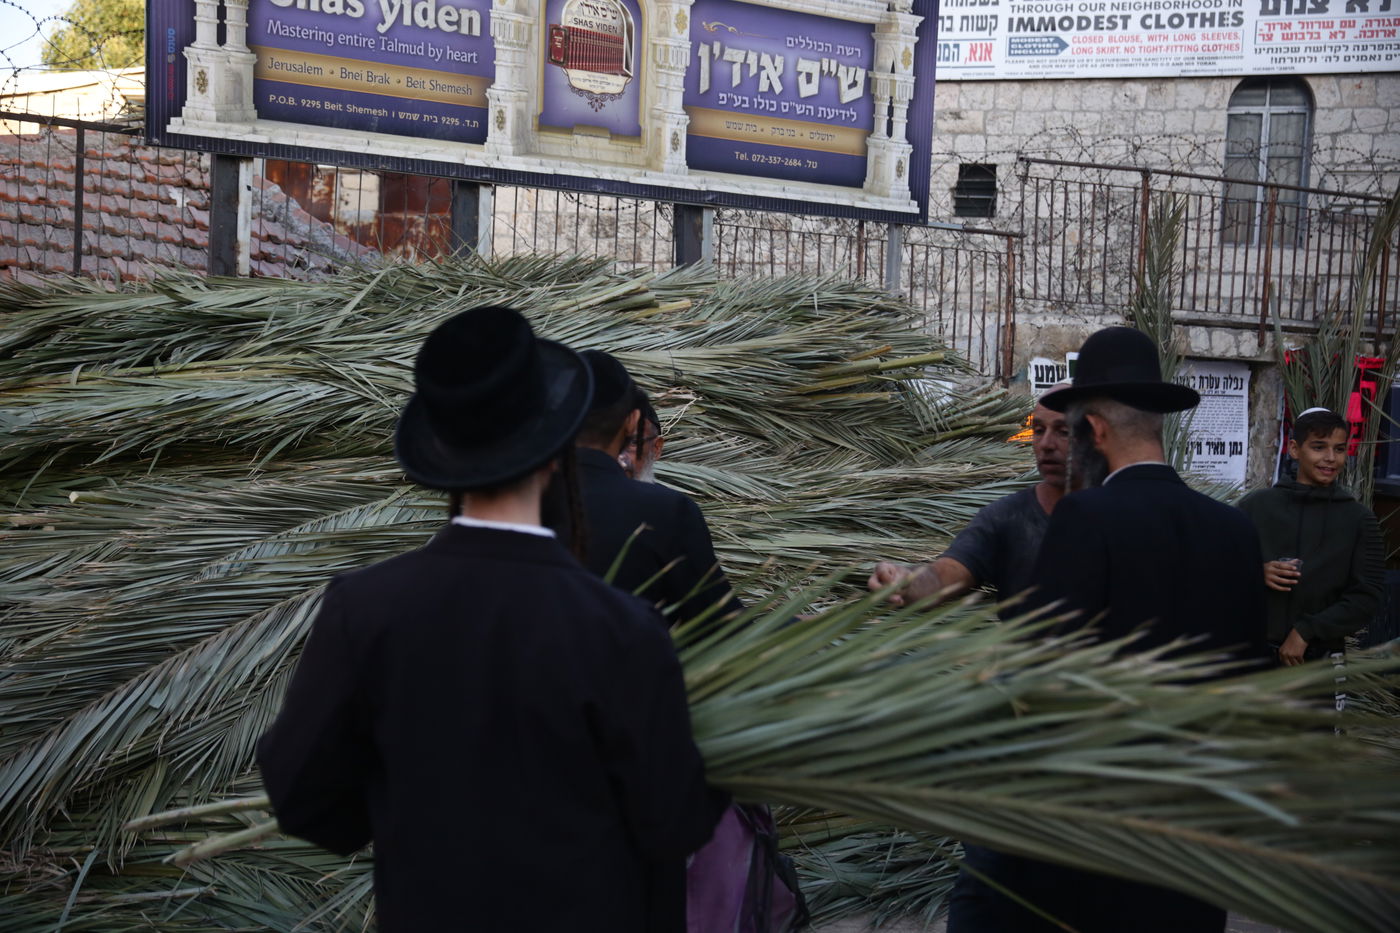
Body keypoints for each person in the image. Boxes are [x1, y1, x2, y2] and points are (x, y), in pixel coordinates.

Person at [256, 306, 727, 933]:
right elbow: (676, 820)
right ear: (555, 447)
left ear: (440, 452)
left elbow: (304, 797)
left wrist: (409, 815)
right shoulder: (622, 628)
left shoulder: (365, 608)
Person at [947, 326, 1269, 933]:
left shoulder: (1085, 516)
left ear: (1094, 431)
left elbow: (1049, 669)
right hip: (1199, 812)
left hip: (1099, 815)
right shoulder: (1234, 528)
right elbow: (1250, 676)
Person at [866, 385, 1071, 614]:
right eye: (1039, 430)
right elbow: (944, 575)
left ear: (1099, 435)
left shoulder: (1116, 514)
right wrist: (905, 581)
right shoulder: (1006, 517)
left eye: (1064, 431)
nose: (1046, 444)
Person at [574, 350, 742, 629]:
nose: (624, 461)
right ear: (629, 421)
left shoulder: (514, 500)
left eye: (635, 445)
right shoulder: (667, 512)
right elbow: (718, 627)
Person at [1238, 407, 1385, 674]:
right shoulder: (1255, 507)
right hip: (1251, 661)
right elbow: (1213, 570)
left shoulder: (1358, 519)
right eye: (1319, 447)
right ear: (1295, 449)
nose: (1330, 458)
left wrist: (1306, 631)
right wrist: (1254, 572)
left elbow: (1366, 597)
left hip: (1319, 662)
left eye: (1339, 449)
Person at [620, 388, 665, 481]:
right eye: (608, 443)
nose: (619, 457)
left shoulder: (669, 496)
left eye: (633, 442)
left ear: (656, 448)